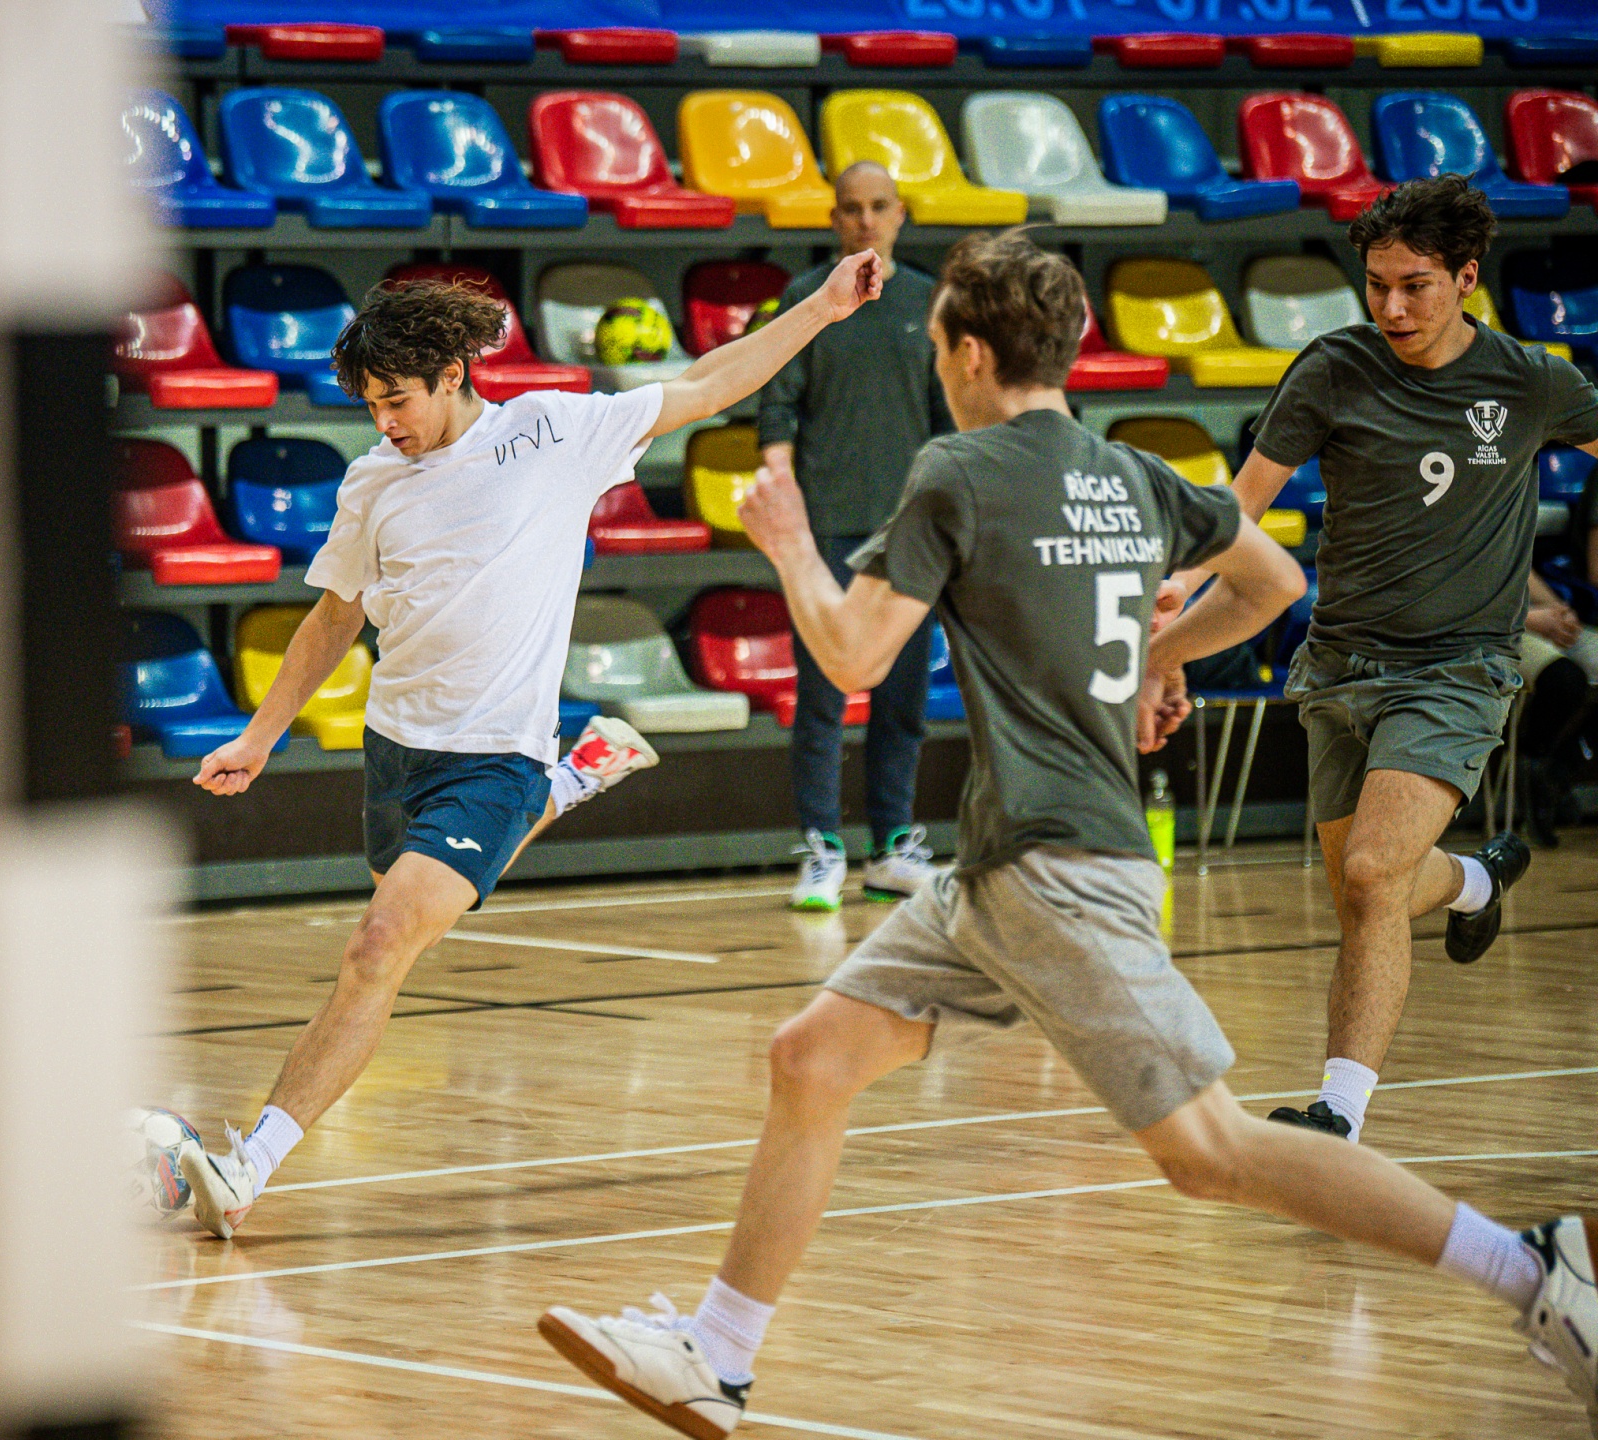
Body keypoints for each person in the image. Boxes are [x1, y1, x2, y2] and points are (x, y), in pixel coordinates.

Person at [535, 230, 1597, 1440]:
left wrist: (785, 543)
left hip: (1058, 869)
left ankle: (1535, 1270)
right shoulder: (1129, 471)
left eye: (939, 348)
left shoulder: (957, 470)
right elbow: (1273, 585)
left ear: (968, 354)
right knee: (811, 1057)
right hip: (1002, 863)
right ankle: (717, 1354)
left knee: (1210, 1153)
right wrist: (1156, 652)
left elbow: (853, 655)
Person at [154, 257, 890, 1240]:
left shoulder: (552, 432)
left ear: (453, 374)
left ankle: (250, 1165)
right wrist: (259, 735)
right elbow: (333, 617)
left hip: (494, 754)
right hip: (397, 751)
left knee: (377, 947)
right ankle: (572, 778)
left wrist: (825, 308)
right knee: (405, 922)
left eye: (397, 399)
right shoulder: (373, 482)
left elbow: (711, 383)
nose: (384, 421)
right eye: (370, 404)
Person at [1156, 175, 1598, 1142]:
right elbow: (1241, 505)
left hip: (1458, 670)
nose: (1392, 307)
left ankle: (1339, 1116)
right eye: (1377, 285)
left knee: (1369, 874)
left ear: (1467, 279)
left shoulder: (1529, 381)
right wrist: (1181, 587)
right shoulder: (1333, 368)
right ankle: (1474, 881)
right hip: (1341, 665)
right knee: (1371, 889)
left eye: (1415, 286)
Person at [757, 161, 954, 911]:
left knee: (904, 696)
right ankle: (821, 849)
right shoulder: (807, 297)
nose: (865, 220)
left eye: (878, 206)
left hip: (910, 532)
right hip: (828, 526)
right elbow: (777, 406)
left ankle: (892, 847)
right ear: (834, 218)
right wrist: (787, 508)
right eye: (851, 208)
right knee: (822, 696)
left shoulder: (929, 301)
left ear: (900, 214)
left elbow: (947, 419)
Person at [1519, 569, 1598, 846]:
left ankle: (1559, 770)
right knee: (1565, 680)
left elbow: (1521, 565)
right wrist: (1531, 618)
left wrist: (1558, 611)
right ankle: (1535, 765)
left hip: (1539, 612)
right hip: (1495, 627)